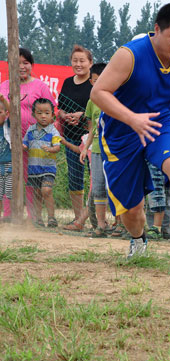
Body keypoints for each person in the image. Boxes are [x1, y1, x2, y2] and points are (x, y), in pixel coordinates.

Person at [90, 2, 170, 260]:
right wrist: (132, 119)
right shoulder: (130, 55)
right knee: (132, 209)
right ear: (157, 30)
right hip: (120, 133)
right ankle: (138, 240)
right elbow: (98, 92)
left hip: (161, 123)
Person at [0, 48, 56, 219]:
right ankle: (9, 215)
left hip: (34, 142)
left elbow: (52, 112)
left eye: (26, 63)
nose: (22, 67)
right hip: (8, 141)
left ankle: (33, 218)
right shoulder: (4, 86)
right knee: (8, 177)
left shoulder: (40, 86)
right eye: (17, 63)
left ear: (32, 65)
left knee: (32, 179)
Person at [58, 45, 94, 231]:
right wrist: (65, 116)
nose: (78, 64)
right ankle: (77, 219)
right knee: (75, 179)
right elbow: (60, 106)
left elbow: (97, 108)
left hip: (91, 140)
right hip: (70, 137)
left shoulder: (94, 84)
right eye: (75, 60)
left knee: (95, 179)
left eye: (82, 61)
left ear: (90, 63)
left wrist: (81, 114)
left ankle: (94, 219)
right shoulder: (67, 82)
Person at [80, 63, 110, 237]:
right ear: (91, 82)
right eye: (96, 81)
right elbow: (92, 128)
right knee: (98, 186)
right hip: (97, 149)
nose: (99, 83)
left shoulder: (116, 97)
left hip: (114, 149)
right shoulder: (92, 102)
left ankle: (120, 224)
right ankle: (100, 225)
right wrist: (85, 148)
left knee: (113, 187)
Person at [22, 98, 61, 227]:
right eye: (39, 113)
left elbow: (57, 147)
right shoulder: (30, 130)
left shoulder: (53, 131)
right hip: (34, 168)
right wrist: (22, 146)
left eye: (47, 113)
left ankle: (51, 218)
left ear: (52, 115)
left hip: (48, 168)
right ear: (33, 115)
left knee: (46, 190)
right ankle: (38, 218)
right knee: (37, 193)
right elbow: (25, 144)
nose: (43, 116)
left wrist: (51, 149)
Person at [0, 95, 11, 222]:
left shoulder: (8, 125)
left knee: (8, 191)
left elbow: (13, 113)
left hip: (8, 163)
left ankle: (8, 216)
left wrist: (3, 100)